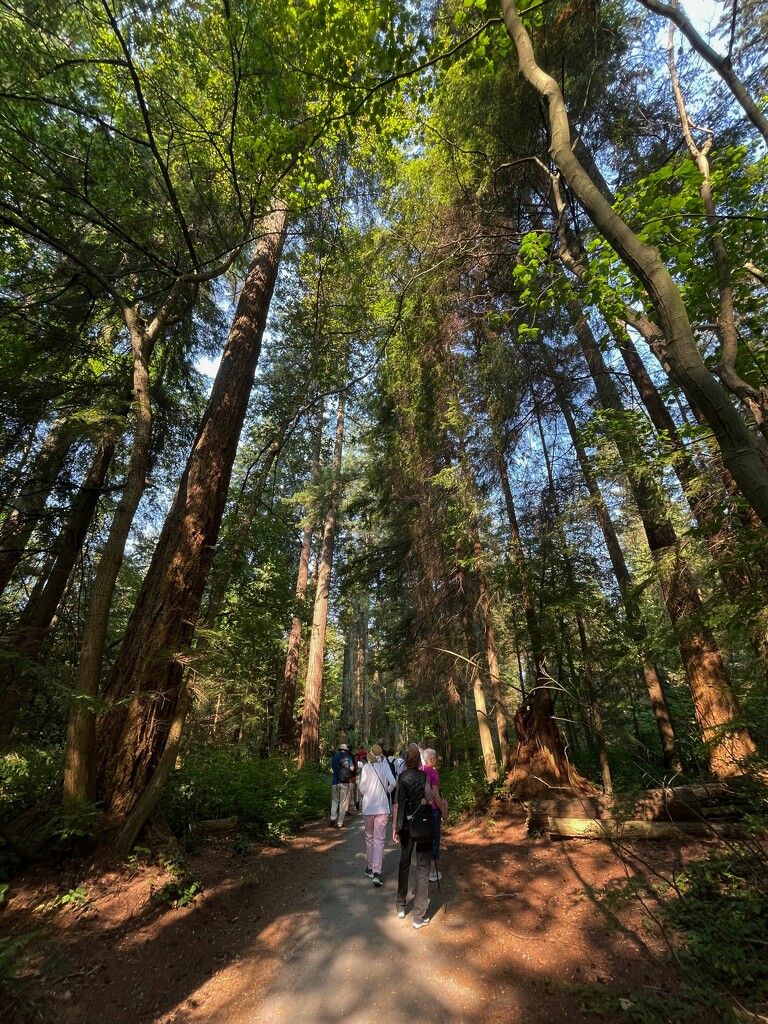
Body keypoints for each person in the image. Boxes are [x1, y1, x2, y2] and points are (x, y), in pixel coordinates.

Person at [392, 746, 434, 928]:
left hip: (406, 827)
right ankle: (418, 916)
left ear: (405, 761)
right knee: (423, 868)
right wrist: (425, 799)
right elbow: (430, 798)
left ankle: (400, 905)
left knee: (404, 863)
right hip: (422, 825)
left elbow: (397, 804)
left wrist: (395, 827)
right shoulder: (424, 776)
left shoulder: (401, 778)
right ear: (418, 761)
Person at [357, 743, 396, 886]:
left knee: (370, 838)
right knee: (379, 840)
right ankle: (376, 872)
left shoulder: (366, 768)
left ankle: (370, 867)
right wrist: (386, 790)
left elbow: (361, 788)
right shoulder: (385, 767)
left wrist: (368, 794)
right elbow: (393, 782)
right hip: (382, 808)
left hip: (368, 808)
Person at [420, 748, 448, 881]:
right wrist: (443, 810)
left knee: (422, 839)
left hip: (421, 810)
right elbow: (436, 794)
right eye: (435, 757)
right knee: (434, 838)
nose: (436, 759)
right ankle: (432, 872)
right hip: (433, 810)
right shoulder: (433, 773)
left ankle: (422, 871)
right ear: (431, 760)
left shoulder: (419, 771)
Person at [330, 743, 353, 829]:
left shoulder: (335, 757)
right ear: (346, 750)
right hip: (344, 782)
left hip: (335, 782)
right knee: (342, 802)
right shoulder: (348, 757)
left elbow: (333, 768)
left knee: (334, 800)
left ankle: (333, 818)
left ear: (339, 749)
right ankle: (340, 823)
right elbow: (352, 768)